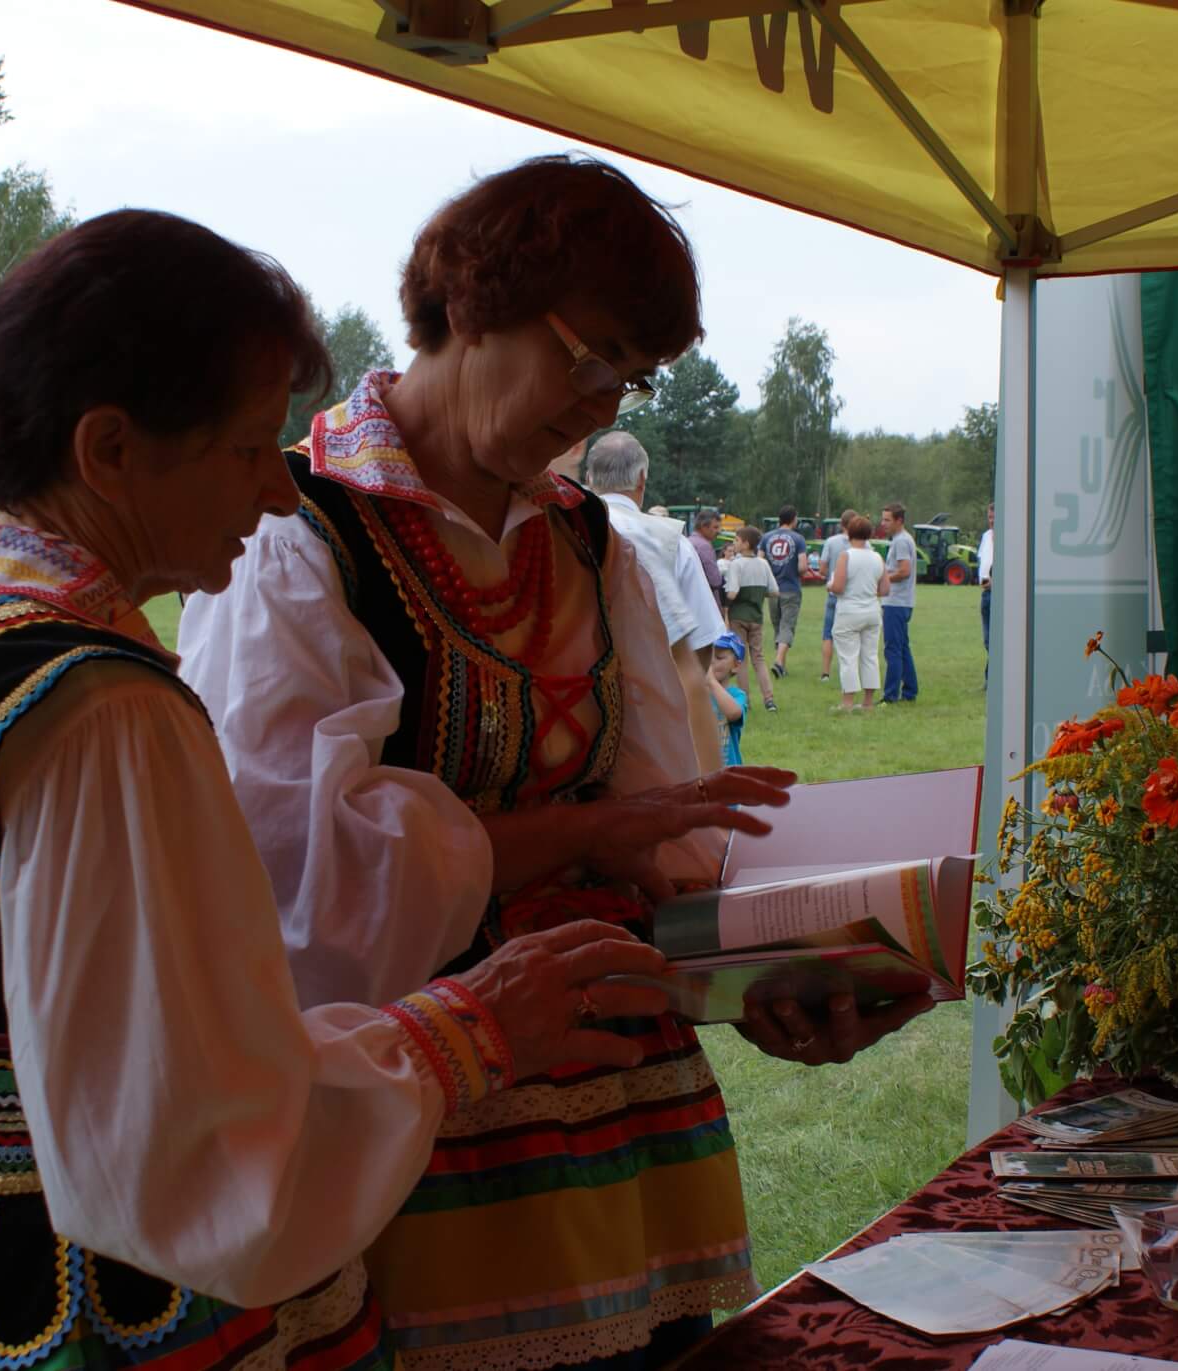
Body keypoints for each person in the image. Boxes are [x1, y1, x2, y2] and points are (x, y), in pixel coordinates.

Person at [0, 209, 673, 1371]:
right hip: (69, 1316)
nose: (279, 494)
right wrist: (471, 1028)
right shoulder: (97, 712)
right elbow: (195, 1153)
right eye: (244, 449)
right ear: (109, 451)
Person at [178, 155, 927, 1371]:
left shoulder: (588, 542)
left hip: (627, 1119)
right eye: (586, 358)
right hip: (424, 1120)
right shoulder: (295, 531)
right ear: (472, 301)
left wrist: (764, 981)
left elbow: (657, 851)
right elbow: (295, 887)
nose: (599, 404)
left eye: (629, 377)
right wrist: (581, 833)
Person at [585, 429, 729, 775]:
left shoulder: (563, 528)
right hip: (656, 723)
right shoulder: (672, 542)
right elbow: (701, 643)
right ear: (642, 479)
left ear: (589, 479)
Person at [828, 513, 887, 712]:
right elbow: (885, 589)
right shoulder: (877, 557)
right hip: (872, 610)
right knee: (870, 656)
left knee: (848, 657)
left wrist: (829, 585)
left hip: (849, 611)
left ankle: (847, 703)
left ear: (849, 533)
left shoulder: (846, 556)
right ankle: (868, 702)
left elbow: (838, 587)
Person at [722, 524, 778, 711]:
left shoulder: (736, 564)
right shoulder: (763, 563)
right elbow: (774, 591)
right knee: (758, 658)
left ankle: (745, 699)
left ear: (746, 544)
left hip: (738, 616)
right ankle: (769, 699)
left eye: (737, 540)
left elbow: (732, 592)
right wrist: (758, 594)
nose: (734, 543)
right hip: (756, 617)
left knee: (741, 659)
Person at [877, 501, 919, 704]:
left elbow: (904, 571)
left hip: (896, 602)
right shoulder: (902, 539)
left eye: (887, 520)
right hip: (903, 602)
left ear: (899, 520)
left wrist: (883, 579)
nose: (883, 524)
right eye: (882, 519)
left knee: (892, 649)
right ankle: (910, 691)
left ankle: (890, 695)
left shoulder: (901, 541)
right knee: (902, 648)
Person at [761, 503, 808, 678]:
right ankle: (779, 662)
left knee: (778, 627)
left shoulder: (766, 538)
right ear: (793, 519)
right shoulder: (798, 539)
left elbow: (760, 561)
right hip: (791, 588)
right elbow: (802, 567)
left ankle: (782, 667)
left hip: (772, 589)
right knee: (787, 626)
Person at [815, 507, 855, 683]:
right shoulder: (865, 544)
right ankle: (851, 671)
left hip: (833, 592)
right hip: (853, 594)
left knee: (828, 634)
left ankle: (825, 673)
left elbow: (822, 569)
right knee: (852, 635)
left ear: (841, 524)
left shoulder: (831, 542)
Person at [708, 630, 747, 764]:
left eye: (719, 658)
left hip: (728, 769)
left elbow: (734, 713)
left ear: (736, 665)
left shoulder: (737, 695)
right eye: (708, 656)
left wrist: (711, 682)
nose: (711, 662)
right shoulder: (696, 695)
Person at [688, 503, 725, 617]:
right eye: (715, 527)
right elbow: (715, 580)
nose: (719, 531)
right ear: (704, 527)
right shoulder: (704, 546)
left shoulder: (687, 541)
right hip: (707, 603)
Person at [978, 500, 995, 686]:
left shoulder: (1009, 538)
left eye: (995, 518)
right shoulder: (986, 537)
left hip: (999, 595)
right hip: (986, 593)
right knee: (988, 640)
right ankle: (990, 678)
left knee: (997, 640)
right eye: (989, 517)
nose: (991, 521)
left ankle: (992, 679)